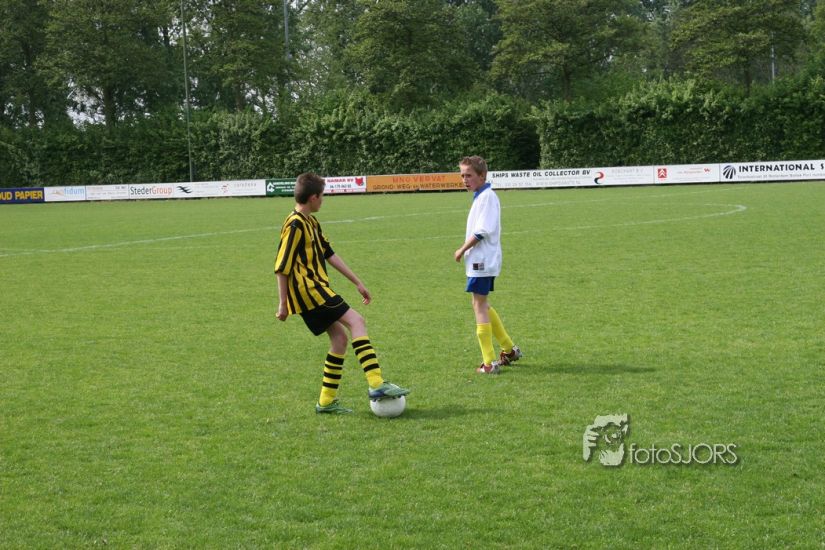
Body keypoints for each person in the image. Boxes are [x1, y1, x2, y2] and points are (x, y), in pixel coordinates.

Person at [275, 172, 409, 413]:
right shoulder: (295, 224)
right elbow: (281, 266)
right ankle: (376, 383)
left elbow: (329, 253)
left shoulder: (311, 222)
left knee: (339, 339)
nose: (323, 200)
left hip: (315, 289)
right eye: (322, 196)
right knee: (357, 321)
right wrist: (282, 304)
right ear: (313, 197)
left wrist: (357, 282)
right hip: (310, 291)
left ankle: (326, 401)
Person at [454, 156, 523, 374]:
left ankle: (488, 362)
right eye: (462, 175)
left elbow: (482, 231)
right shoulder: (481, 196)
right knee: (481, 304)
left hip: (481, 261)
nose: (465, 180)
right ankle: (509, 350)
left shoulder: (487, 197)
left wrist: (462, 249)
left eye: (469, 175)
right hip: (481, 261)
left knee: (479, 306)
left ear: (482, 175)